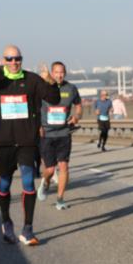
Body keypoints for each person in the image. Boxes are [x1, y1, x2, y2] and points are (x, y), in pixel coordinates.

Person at [0, 45, 60, 246]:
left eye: (18, 58)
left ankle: (27, 229)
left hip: (26, 141)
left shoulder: (32, 79)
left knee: (27, 181)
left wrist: (50, 80)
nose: (14, 62)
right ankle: (6, 221)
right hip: (3, 142)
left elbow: (54, 99)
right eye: (9, 59)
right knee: (4, 184)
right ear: (4, 59)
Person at [37, 62, 82, 210]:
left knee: (64, 166)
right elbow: (33, 108)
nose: (59, 75)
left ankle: (60, 199)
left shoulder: (71, 88)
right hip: (47, 133)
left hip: (64, 133)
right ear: (52, 72)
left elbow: (78, 106)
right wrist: (38, 126)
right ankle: (45, 182)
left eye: (61, 72)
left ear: (65, 73)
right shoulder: (42, 87)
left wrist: (76, 116)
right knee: (50, 169)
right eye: (56, 72)